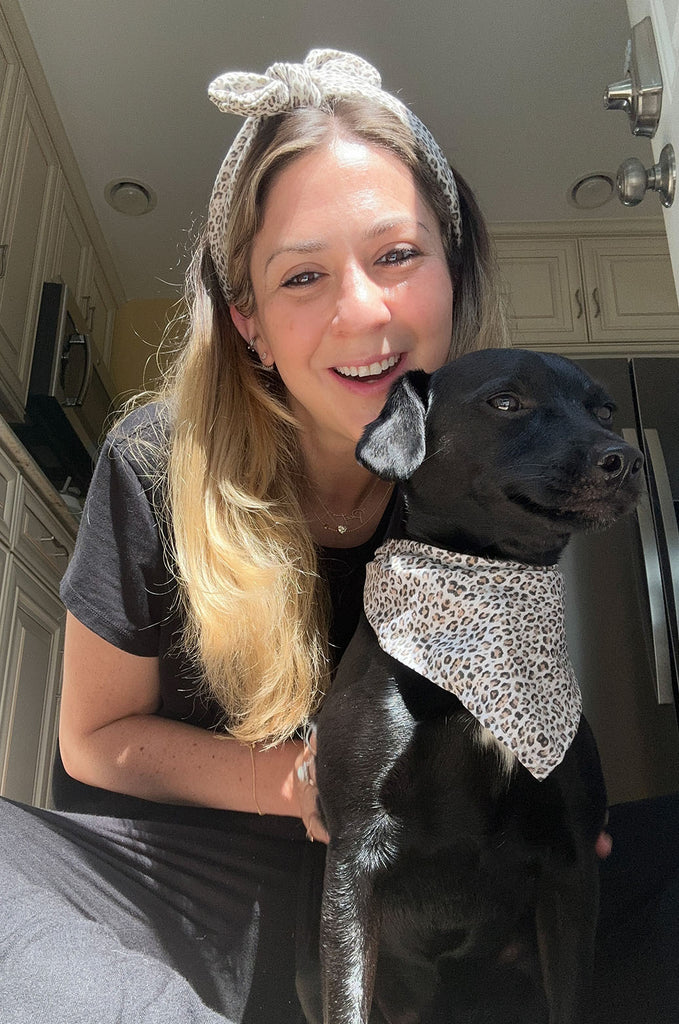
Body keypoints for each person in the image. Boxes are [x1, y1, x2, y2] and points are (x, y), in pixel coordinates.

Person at [0, 48, 676, 1024]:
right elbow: (94, 738)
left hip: (444, 889)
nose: (362, 309)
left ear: (450, 270)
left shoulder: (484, 470)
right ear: (251, 323)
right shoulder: (158, 463)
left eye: (396, 255)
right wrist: (301, 786)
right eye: (304, 274)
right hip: (212, 880)